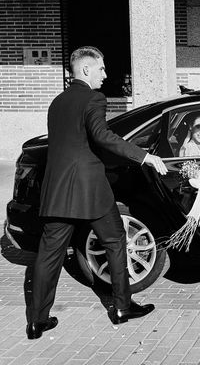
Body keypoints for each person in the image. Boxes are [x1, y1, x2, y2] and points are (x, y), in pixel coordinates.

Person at [27, 46, 168, 340]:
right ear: (86, 70)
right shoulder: (94, 97)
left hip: (57, 190)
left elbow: (70, 144)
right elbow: (102, 136)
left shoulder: (58, 101)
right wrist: (144, 156)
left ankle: (37, 321)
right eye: (102, 69)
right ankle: (122, 308)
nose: (106, 74)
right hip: (90, 189)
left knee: (48, 255)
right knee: (116, 241)